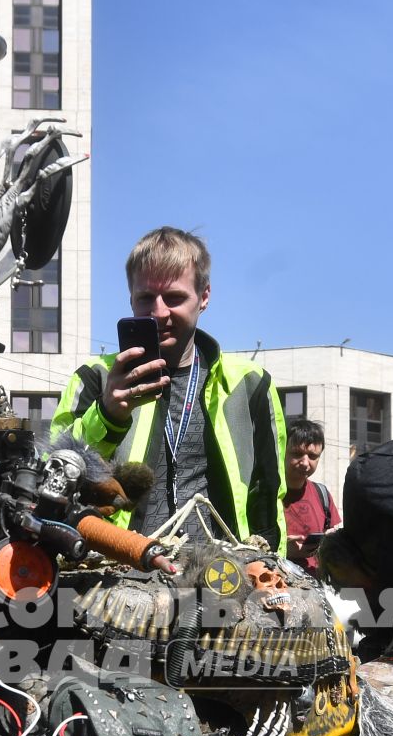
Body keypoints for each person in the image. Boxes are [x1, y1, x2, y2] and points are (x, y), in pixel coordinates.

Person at [53, 226, 286, 545]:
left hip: (222, 577)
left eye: (174, 297)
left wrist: (271, 577)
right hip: (120, 570)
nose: (159, 312)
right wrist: (105, 416)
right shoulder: (94, 378)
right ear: (131, 299)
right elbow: (54, 477)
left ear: (204, 296)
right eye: (146, 297)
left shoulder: (250, 384)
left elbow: (268, 496)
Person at [281, 418, 340, 572]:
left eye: (313, 456)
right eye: (297, 454)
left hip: (315, 587)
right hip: (273, 587)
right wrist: (282, 549)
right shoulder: (263, 493)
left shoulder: (323, 494)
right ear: (282, 451)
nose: (306, 463)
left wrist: (331, 541)